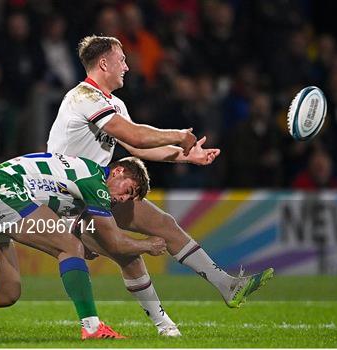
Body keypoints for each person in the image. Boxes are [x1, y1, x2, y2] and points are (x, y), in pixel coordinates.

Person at [47, 35, 274, 336]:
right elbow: (137, 136)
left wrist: (185, 156)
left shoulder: (112, 103)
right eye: (121, 59)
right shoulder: (83, 97)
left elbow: (138, 148)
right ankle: (165, 327)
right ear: (103, 63)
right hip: (69, 199)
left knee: (165, 224)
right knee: (129, 255)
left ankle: (228, 286)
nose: (127, 66)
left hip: (96, 190)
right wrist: (178, 135)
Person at [0, 153, 167, 339]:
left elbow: (70, 226)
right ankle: (92, 326)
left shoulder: (77, 180)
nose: (122, 198)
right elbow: (114, 242)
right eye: (127, 190)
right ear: (118, 171)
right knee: (70, 248)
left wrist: (81, 245)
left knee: (5, 291)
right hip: (1, 190)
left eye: (128, 197)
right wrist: (148, 244)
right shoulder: (95, 179)